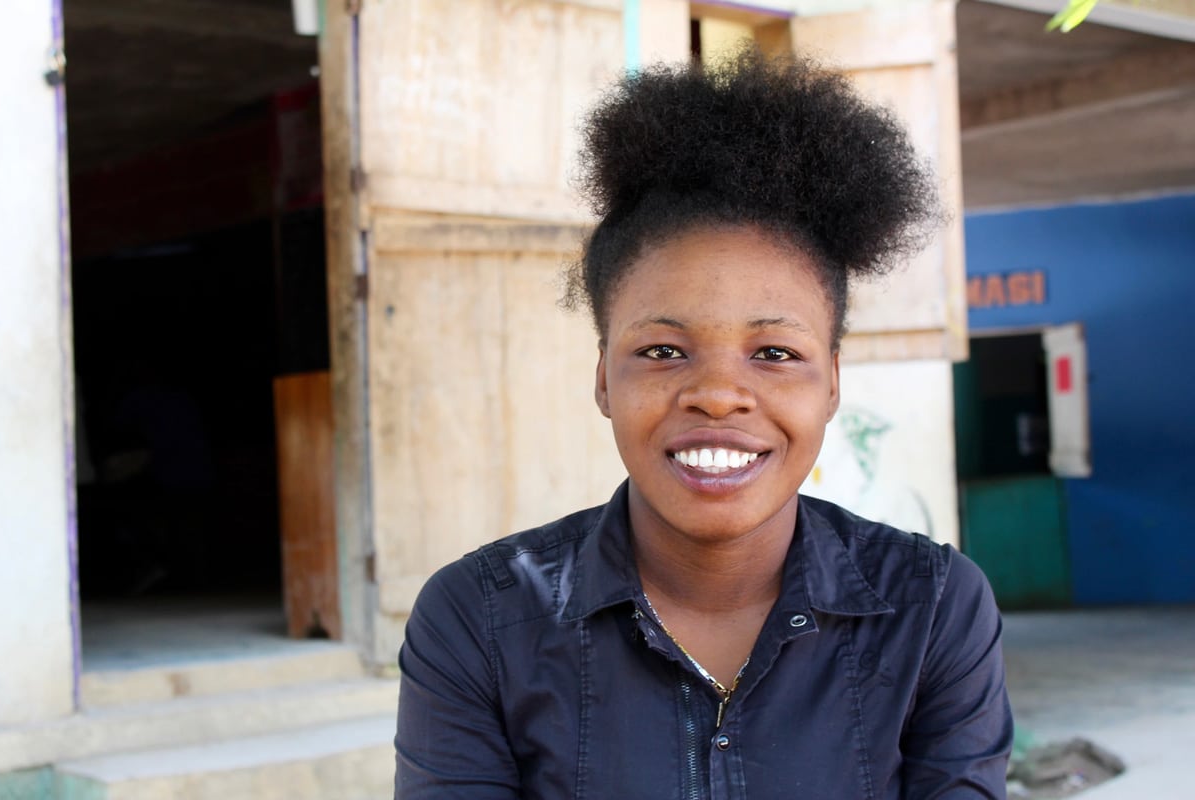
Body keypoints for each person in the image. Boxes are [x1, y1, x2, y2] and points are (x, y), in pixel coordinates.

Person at [395, 49, 1013, 799]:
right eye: (662, 350)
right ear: (603, 378)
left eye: (775, 353)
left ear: (832, 384)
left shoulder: (934, 608)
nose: (718, 396)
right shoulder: (479, 617)